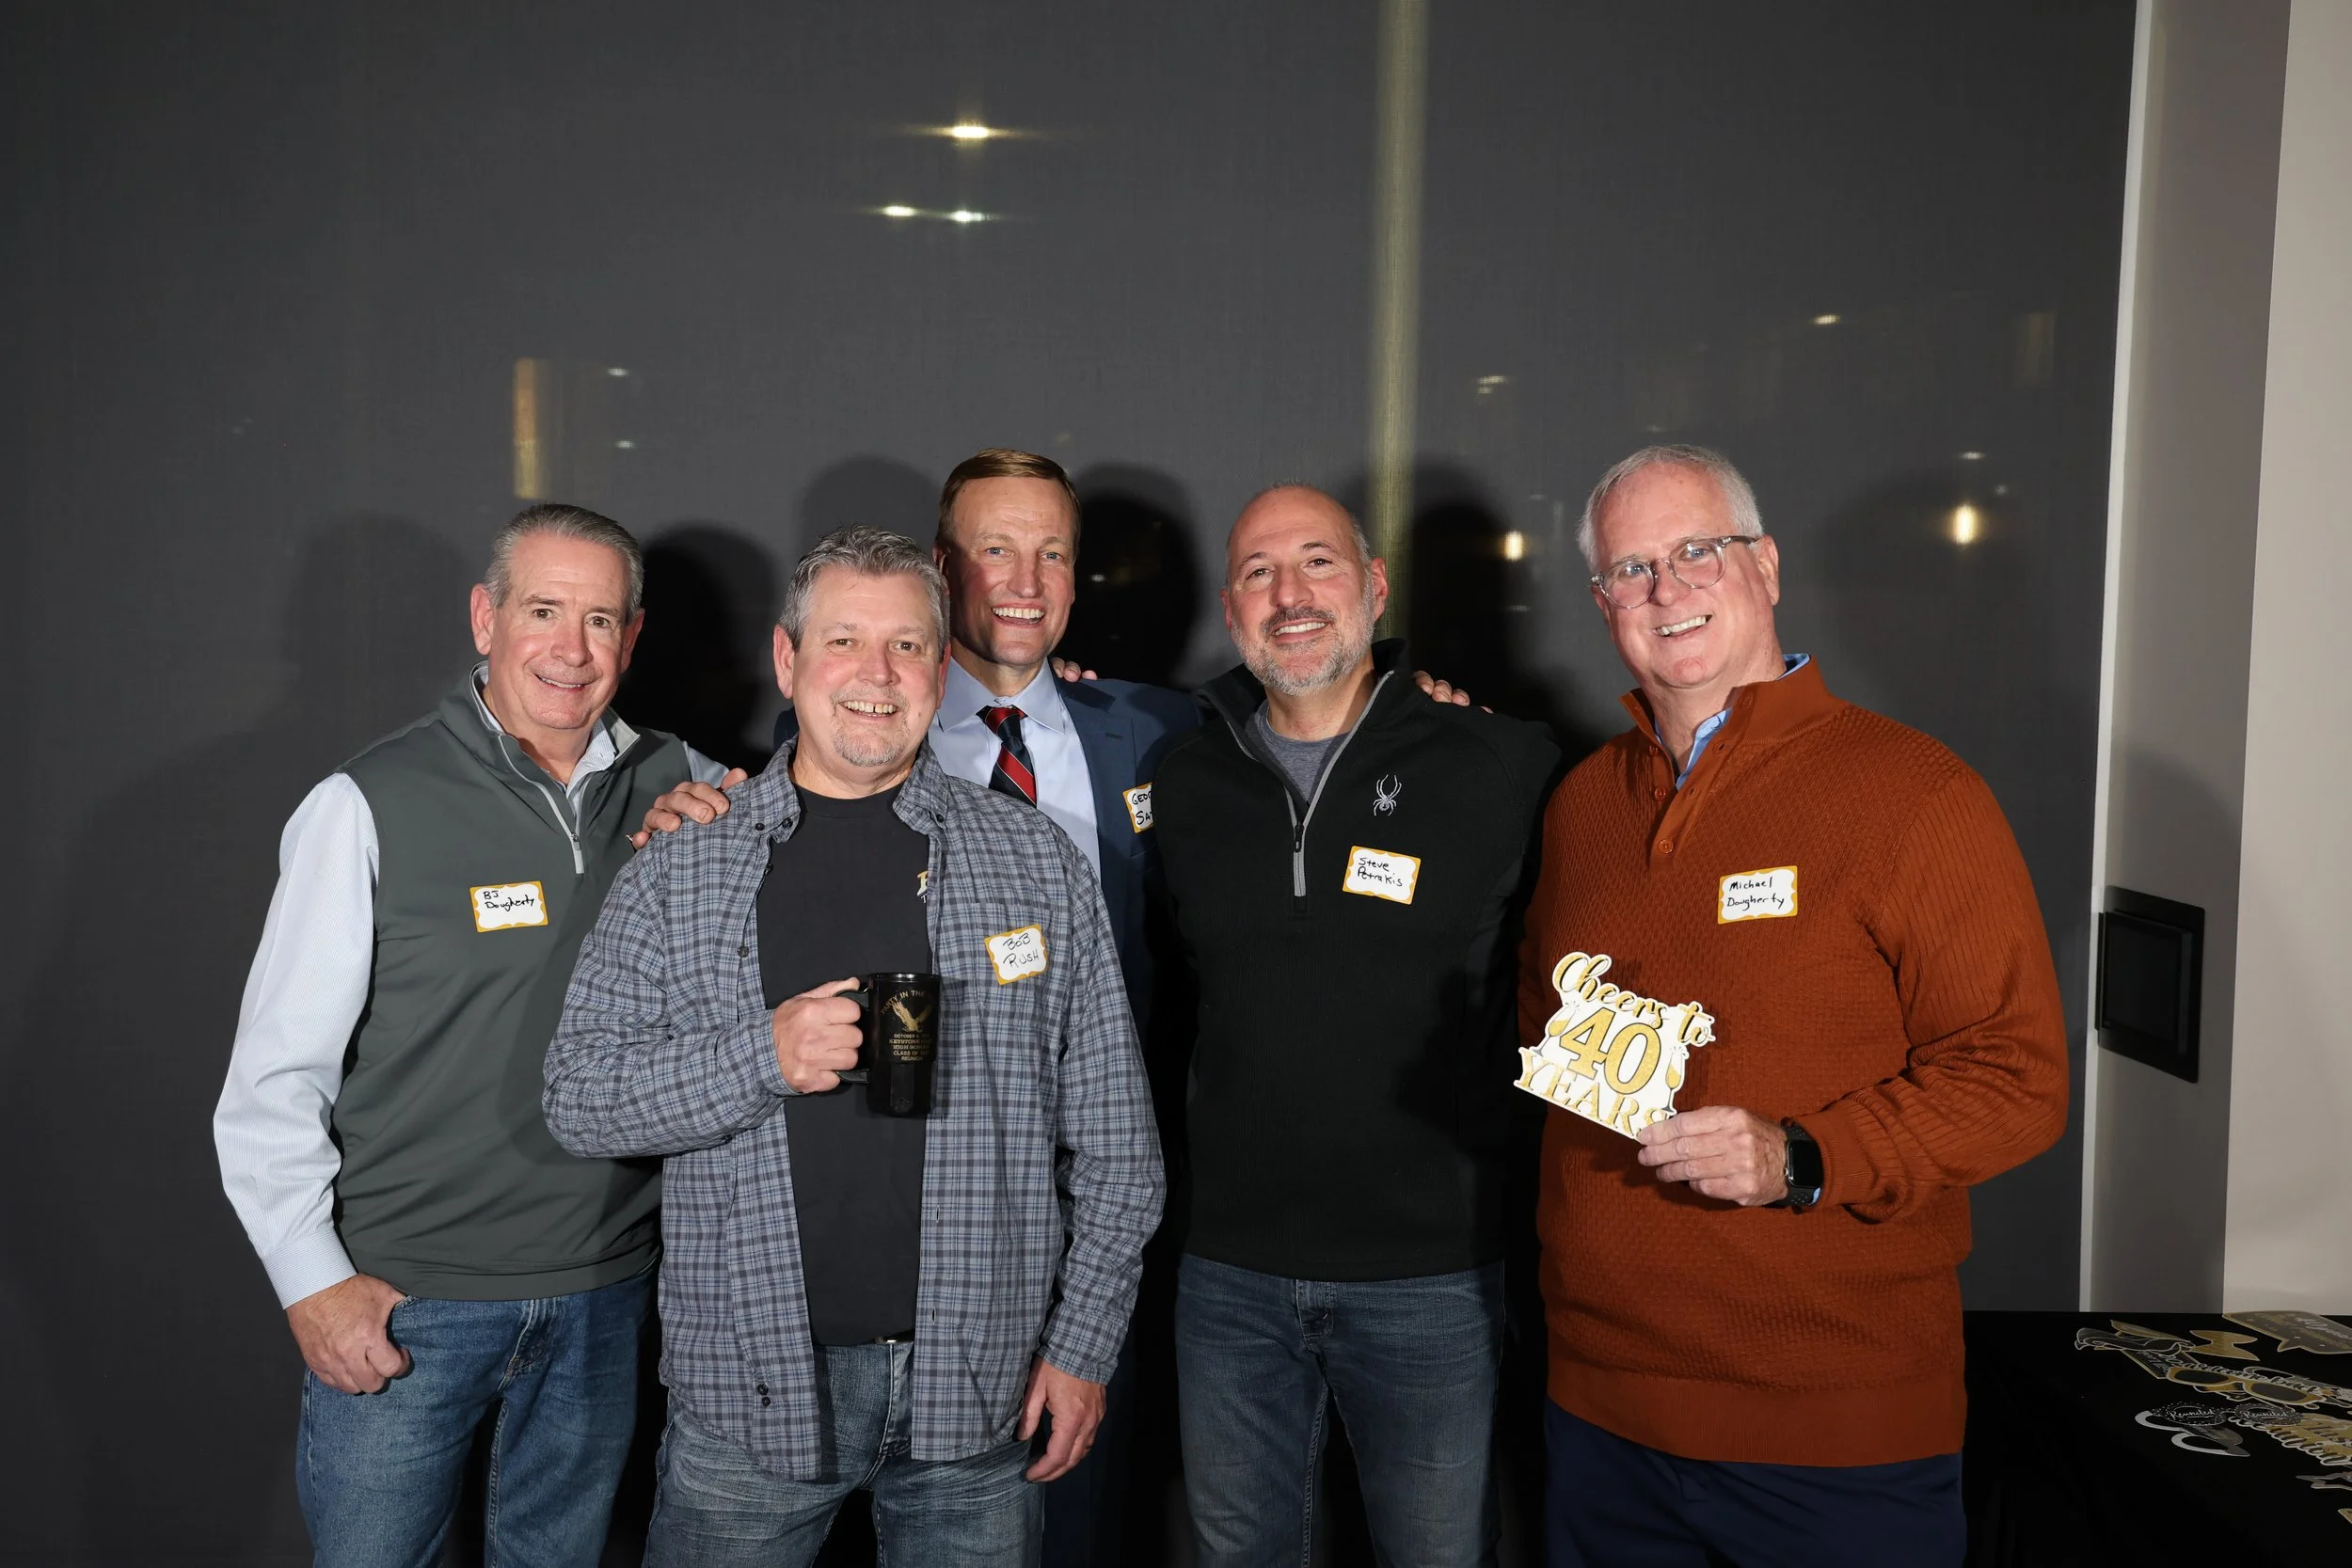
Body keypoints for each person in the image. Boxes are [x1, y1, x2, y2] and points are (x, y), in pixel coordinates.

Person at [544, 526, 1163, 1566]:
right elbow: (579, 1095)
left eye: (907, 646)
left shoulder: (1034, 861)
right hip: (748, 1398)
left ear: (940, 666)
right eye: (843, 641)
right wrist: (761, 1055)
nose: (877, 675)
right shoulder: (684, 863)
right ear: (787, 659)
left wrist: (1084, 1345)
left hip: (981, 1396)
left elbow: (1117, 1144)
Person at [1523, 444, 2068, 1568]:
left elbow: (2017, 1078)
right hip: (1598, 1411)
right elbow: (1548, 1034)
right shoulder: (1582, 804)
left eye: (1697, 550)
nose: (1666, 589)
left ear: (1763, 565)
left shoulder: (1915, 792)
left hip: (1834, 1437)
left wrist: (1803, 1155)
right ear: (1601, 601)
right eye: (1630, 568)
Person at [213, 504, 732, 1567]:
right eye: (543, 611)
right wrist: (313, 1284)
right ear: (485, 619)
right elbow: (273, 1077)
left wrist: (1031, 684)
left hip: (605, 1292)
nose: (571, 649)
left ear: (633, 637)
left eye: (600, 619)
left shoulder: (692, 783)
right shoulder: (365, 803)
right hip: (409, 1302)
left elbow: (849, 789)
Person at [1150, 484, 1561, 1568]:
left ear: (1374, 588)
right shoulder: (1180, 780)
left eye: (1317, 562)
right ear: (1230, 611)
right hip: (1227, 1277)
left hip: (1433, 1278)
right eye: (1257, 572)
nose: (1289, 594)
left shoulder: (1499, 763)